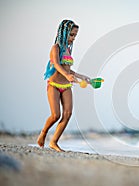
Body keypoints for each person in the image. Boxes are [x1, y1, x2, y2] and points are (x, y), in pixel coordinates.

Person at [37, 19, 90, 152]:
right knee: (55, 115)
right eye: (71, 35)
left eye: (75, 35)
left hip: (66, 86)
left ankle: (54, 142)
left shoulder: (68, 49)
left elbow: (67, 69)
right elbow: (56, 64)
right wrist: (67, 76)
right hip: (54, 84)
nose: (73, 38)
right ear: (63, 33)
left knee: (67, 113)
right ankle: (43, 133)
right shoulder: (56, 48)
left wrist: (80, 76)